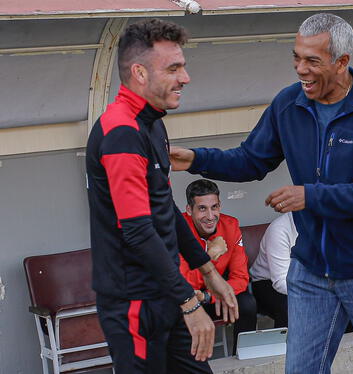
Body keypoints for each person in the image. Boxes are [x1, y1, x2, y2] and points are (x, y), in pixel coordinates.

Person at [171, 13, 353, 374]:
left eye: (312, 61)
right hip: (310, 270)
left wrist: (311, 196)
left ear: (342, 63)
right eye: (296, 57)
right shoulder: (289, 104)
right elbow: (250, 160)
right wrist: (197, 159)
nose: (300, 69)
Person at [85, 19, 238, 374]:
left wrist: (208, 271)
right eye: (173, 68)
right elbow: (137, 231)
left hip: (166, 293)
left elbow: (162, 208)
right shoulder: (121, 132)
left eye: (182, 67)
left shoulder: (152, 122)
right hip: (135, 304)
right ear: (139, 72)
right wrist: (189, 302)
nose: (185, 78)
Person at [179, 179, 257, 354]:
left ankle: (243, 358)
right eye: (202, 208)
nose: (210, 215)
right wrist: (210, 257)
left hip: (212, 297)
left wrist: (210, 296)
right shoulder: (178, 230)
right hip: (187, 300)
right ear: (189, 210)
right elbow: (184, 283)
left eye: (214, 207)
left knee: (246, 304)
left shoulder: (231, 226)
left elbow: (240, 278)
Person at [249, 212, 298, 328]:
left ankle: (343, 344)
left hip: (303, 280)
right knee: (291, 306)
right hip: (266, 281)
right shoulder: (280, 229)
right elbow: (280, 282)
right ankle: (286, 345)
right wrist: (313, 292)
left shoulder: (325, 223)